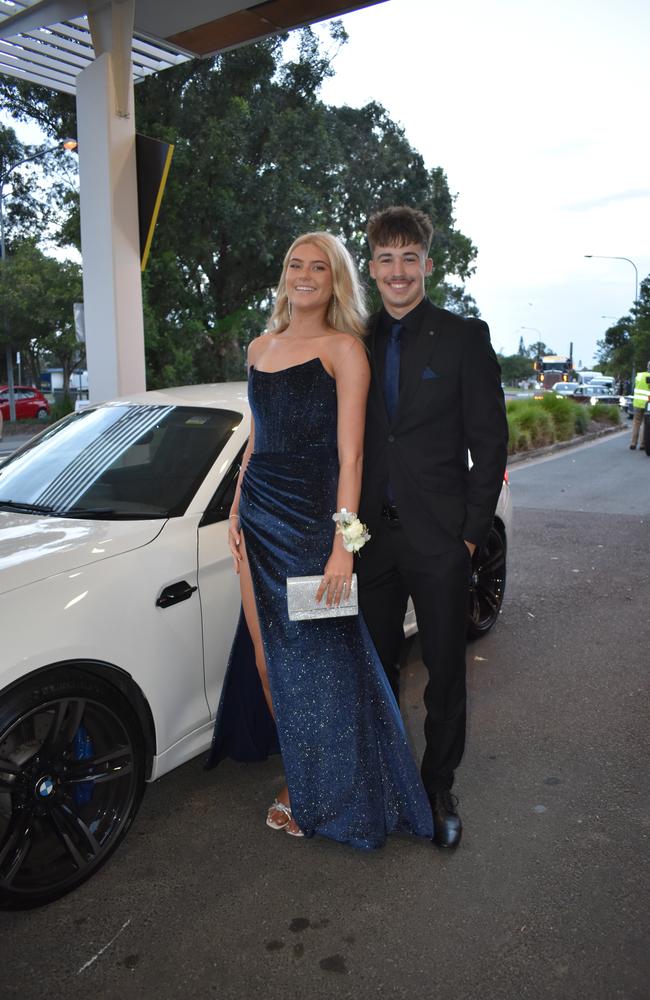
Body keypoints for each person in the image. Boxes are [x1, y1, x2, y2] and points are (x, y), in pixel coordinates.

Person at [206, 231, 432, 848]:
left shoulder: (343, 350)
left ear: (335, 281)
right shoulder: (259, 347)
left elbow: (351, 457)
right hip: (256, 520)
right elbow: (258, 437)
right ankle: (302, 780)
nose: (303, 275)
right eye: (294, 264)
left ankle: (337, 792)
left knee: (324, 673)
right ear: (283, 275)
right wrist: (233, 509)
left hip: (312, 528)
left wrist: (342, 548)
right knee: (267, 663)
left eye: (318, 267)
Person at [357, 206, 509, 849]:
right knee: (376, 668)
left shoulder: (462, 336)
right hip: (368, 541)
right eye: (386, 259)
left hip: (440, 541)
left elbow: (490, 441)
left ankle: (438, 782)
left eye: (409, 257)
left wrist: (469, 534)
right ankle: (388, 780)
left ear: (426, 262)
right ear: (371, 267)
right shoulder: (351, 340)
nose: (398, 271)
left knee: (445, 671)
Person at [629, 362, 650, 450]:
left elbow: (633, 387)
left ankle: (633, 443)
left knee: (636, 423)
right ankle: (643, 444)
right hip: (647, 404)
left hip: (637, 403)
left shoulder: (639, 375)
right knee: (646, 424)